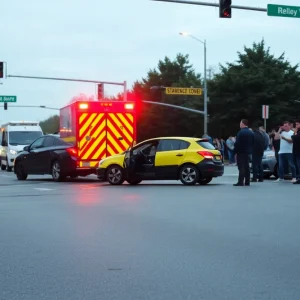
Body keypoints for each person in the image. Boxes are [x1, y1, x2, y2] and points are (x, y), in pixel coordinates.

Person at [233, 119, 254, 186]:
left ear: (242, 124)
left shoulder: (240, 132)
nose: (240, 124)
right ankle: (247, 181)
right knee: (247, 167)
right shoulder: (251, 132)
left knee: (241, 167)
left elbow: (237, 143)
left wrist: (235, 152)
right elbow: (253, 142)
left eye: (240, 123)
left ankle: (240, 181)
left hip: (241, 152)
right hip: (248, 152)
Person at [291, 120, 300, 184]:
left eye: (297, 124)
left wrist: (295, 133)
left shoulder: (298, 132)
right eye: (296, 124)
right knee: (296, 164)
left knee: (298, 164)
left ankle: (298, 178)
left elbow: (295, 138)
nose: (296, 126)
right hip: (296, 150)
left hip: (298, 151)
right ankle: (297, 177)